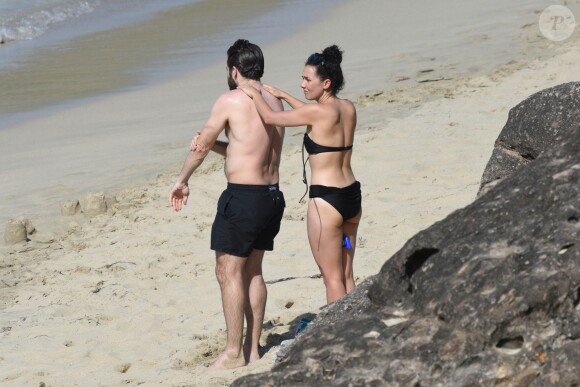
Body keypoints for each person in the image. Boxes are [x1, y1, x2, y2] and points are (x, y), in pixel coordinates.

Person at [169, 39, 285, 370]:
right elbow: (248, 145)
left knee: (228, 271)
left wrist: (182, 180)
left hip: (243, 198)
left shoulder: (231, 99)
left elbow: (200, 147)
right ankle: (252, 349)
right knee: (253, 270)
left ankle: (233, 353)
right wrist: (220, 143)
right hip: (271, 197)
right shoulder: (274, 100)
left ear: (234, 71)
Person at [239, 45, 361, 305]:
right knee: (347, 272)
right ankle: (358, 324)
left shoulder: (316, 113)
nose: (302, 85)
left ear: (325, 83)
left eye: (307, 79)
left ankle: (338, 334)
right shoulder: (348, 108)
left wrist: (253, 93)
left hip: (326, 205)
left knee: (332, 278)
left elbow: (272, 118)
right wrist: (283, 95)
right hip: (351, 201)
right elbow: (310, 115)